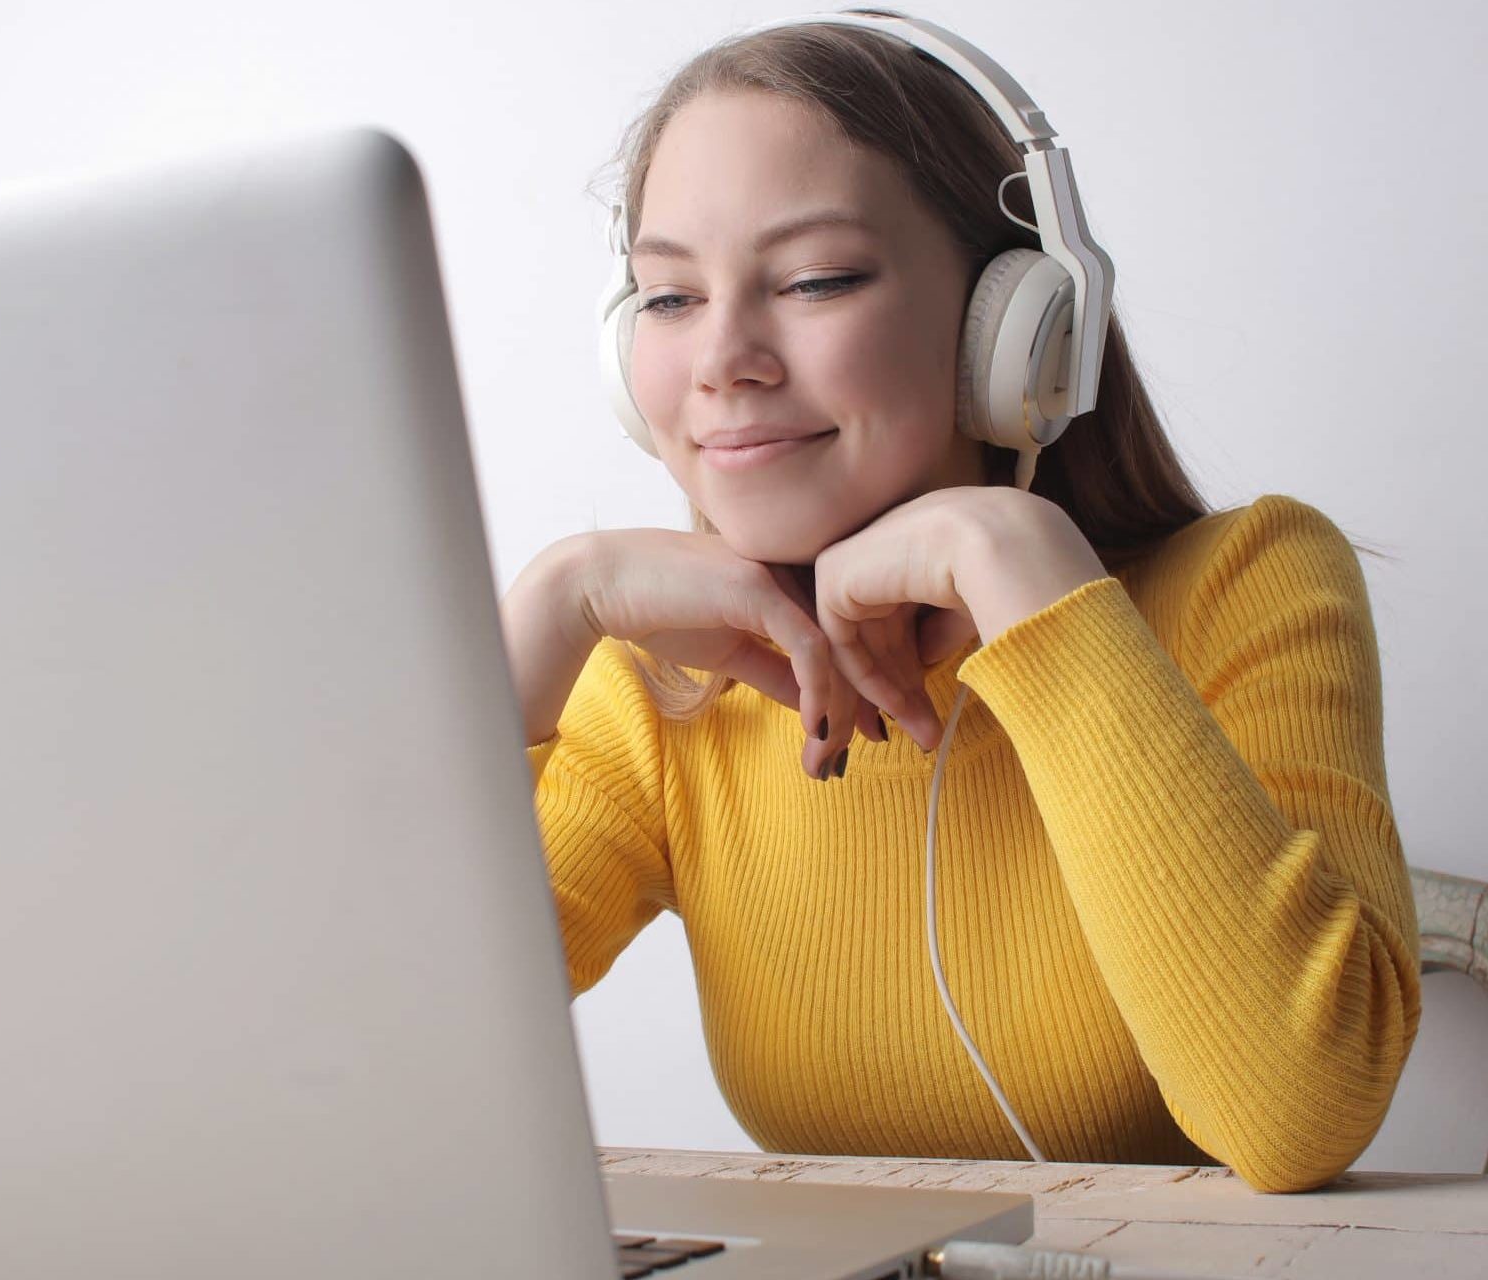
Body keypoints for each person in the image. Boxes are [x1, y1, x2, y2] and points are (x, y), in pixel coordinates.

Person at [497, 8, 1421, 1194]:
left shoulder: (1249, 582)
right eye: (669, 297)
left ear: (1018, 328)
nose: (724, 356)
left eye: (815, 278)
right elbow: (367, 1065)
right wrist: (546, 613)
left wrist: (1023, 567)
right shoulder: (658, 690)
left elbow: (1301, 1112)